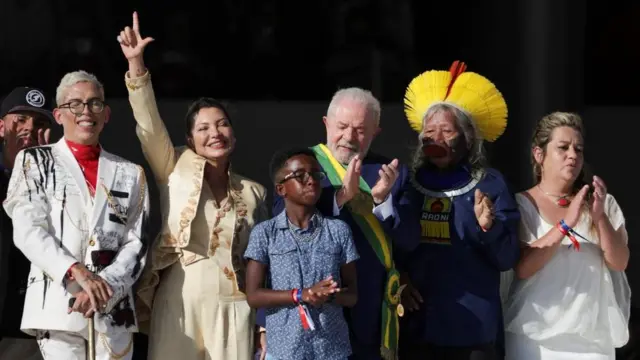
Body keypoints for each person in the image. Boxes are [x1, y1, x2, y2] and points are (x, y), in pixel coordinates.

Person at [119, 12, 268, 360]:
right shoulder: (173, 166)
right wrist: (137, 66)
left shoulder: (254, 190)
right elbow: (149, 126)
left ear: (233, 132)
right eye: (203, 128)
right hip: (179, 298)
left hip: (235, 303)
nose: (214, 133)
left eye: (222, 124)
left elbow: (261, 259)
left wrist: (263, 322)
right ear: (189, 138)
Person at [255, 87, 417, 360]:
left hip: (370, 314)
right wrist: (341, 198)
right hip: (307, 316)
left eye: (360, 130)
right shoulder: (300, 166)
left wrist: (381, 202)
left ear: (376, 132)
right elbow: (280, 237)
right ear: (326, 124)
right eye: (342, 127)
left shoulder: (391, 174)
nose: (349, 138)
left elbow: (410, 241)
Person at [2, 69, 150, 360]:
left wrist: (103, 286)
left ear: (106, 114)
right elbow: (28, 230)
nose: (86, 111)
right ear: (58, 115)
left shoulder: (130, 173)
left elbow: (137, 243)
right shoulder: (35, 161)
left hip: (113, 309)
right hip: (58, 305)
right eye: (75, 104)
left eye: (94, 103)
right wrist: (77, 273)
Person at [398, 61, 521, 360]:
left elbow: (507, 258)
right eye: (429, 131)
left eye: (446, 131)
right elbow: (389, 246)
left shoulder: (491, 185)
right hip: (418, 326)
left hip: (473, 330)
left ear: (467, 138)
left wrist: (488, 227)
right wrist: (399, 278)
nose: (435, 138)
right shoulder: (406, 184)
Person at [502, 112, 630, 360]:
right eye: (563, 147)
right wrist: (565, 224)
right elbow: (523, 268)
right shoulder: (521, 204)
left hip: (592, 338)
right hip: (534, 336)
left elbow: (620, 262)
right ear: (539, 155)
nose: (573, 155)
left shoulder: (603, 203)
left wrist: (599, 217)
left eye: (578, 149)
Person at [245, 147, 359, 360]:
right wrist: (301, 294)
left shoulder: (338, 230)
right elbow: (253, 295)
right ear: (281, 189)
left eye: (316, 174)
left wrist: (329, 296)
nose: (311, 180)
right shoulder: (265, 233)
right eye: (300, 175)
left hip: (331, 350)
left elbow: (352, 294)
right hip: (285, 351)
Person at [0, 86, 54, 360]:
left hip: (41, 326)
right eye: (20, 119)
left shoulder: (61, 184)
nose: (29, 129)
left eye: (40, 123)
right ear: (1, 127)